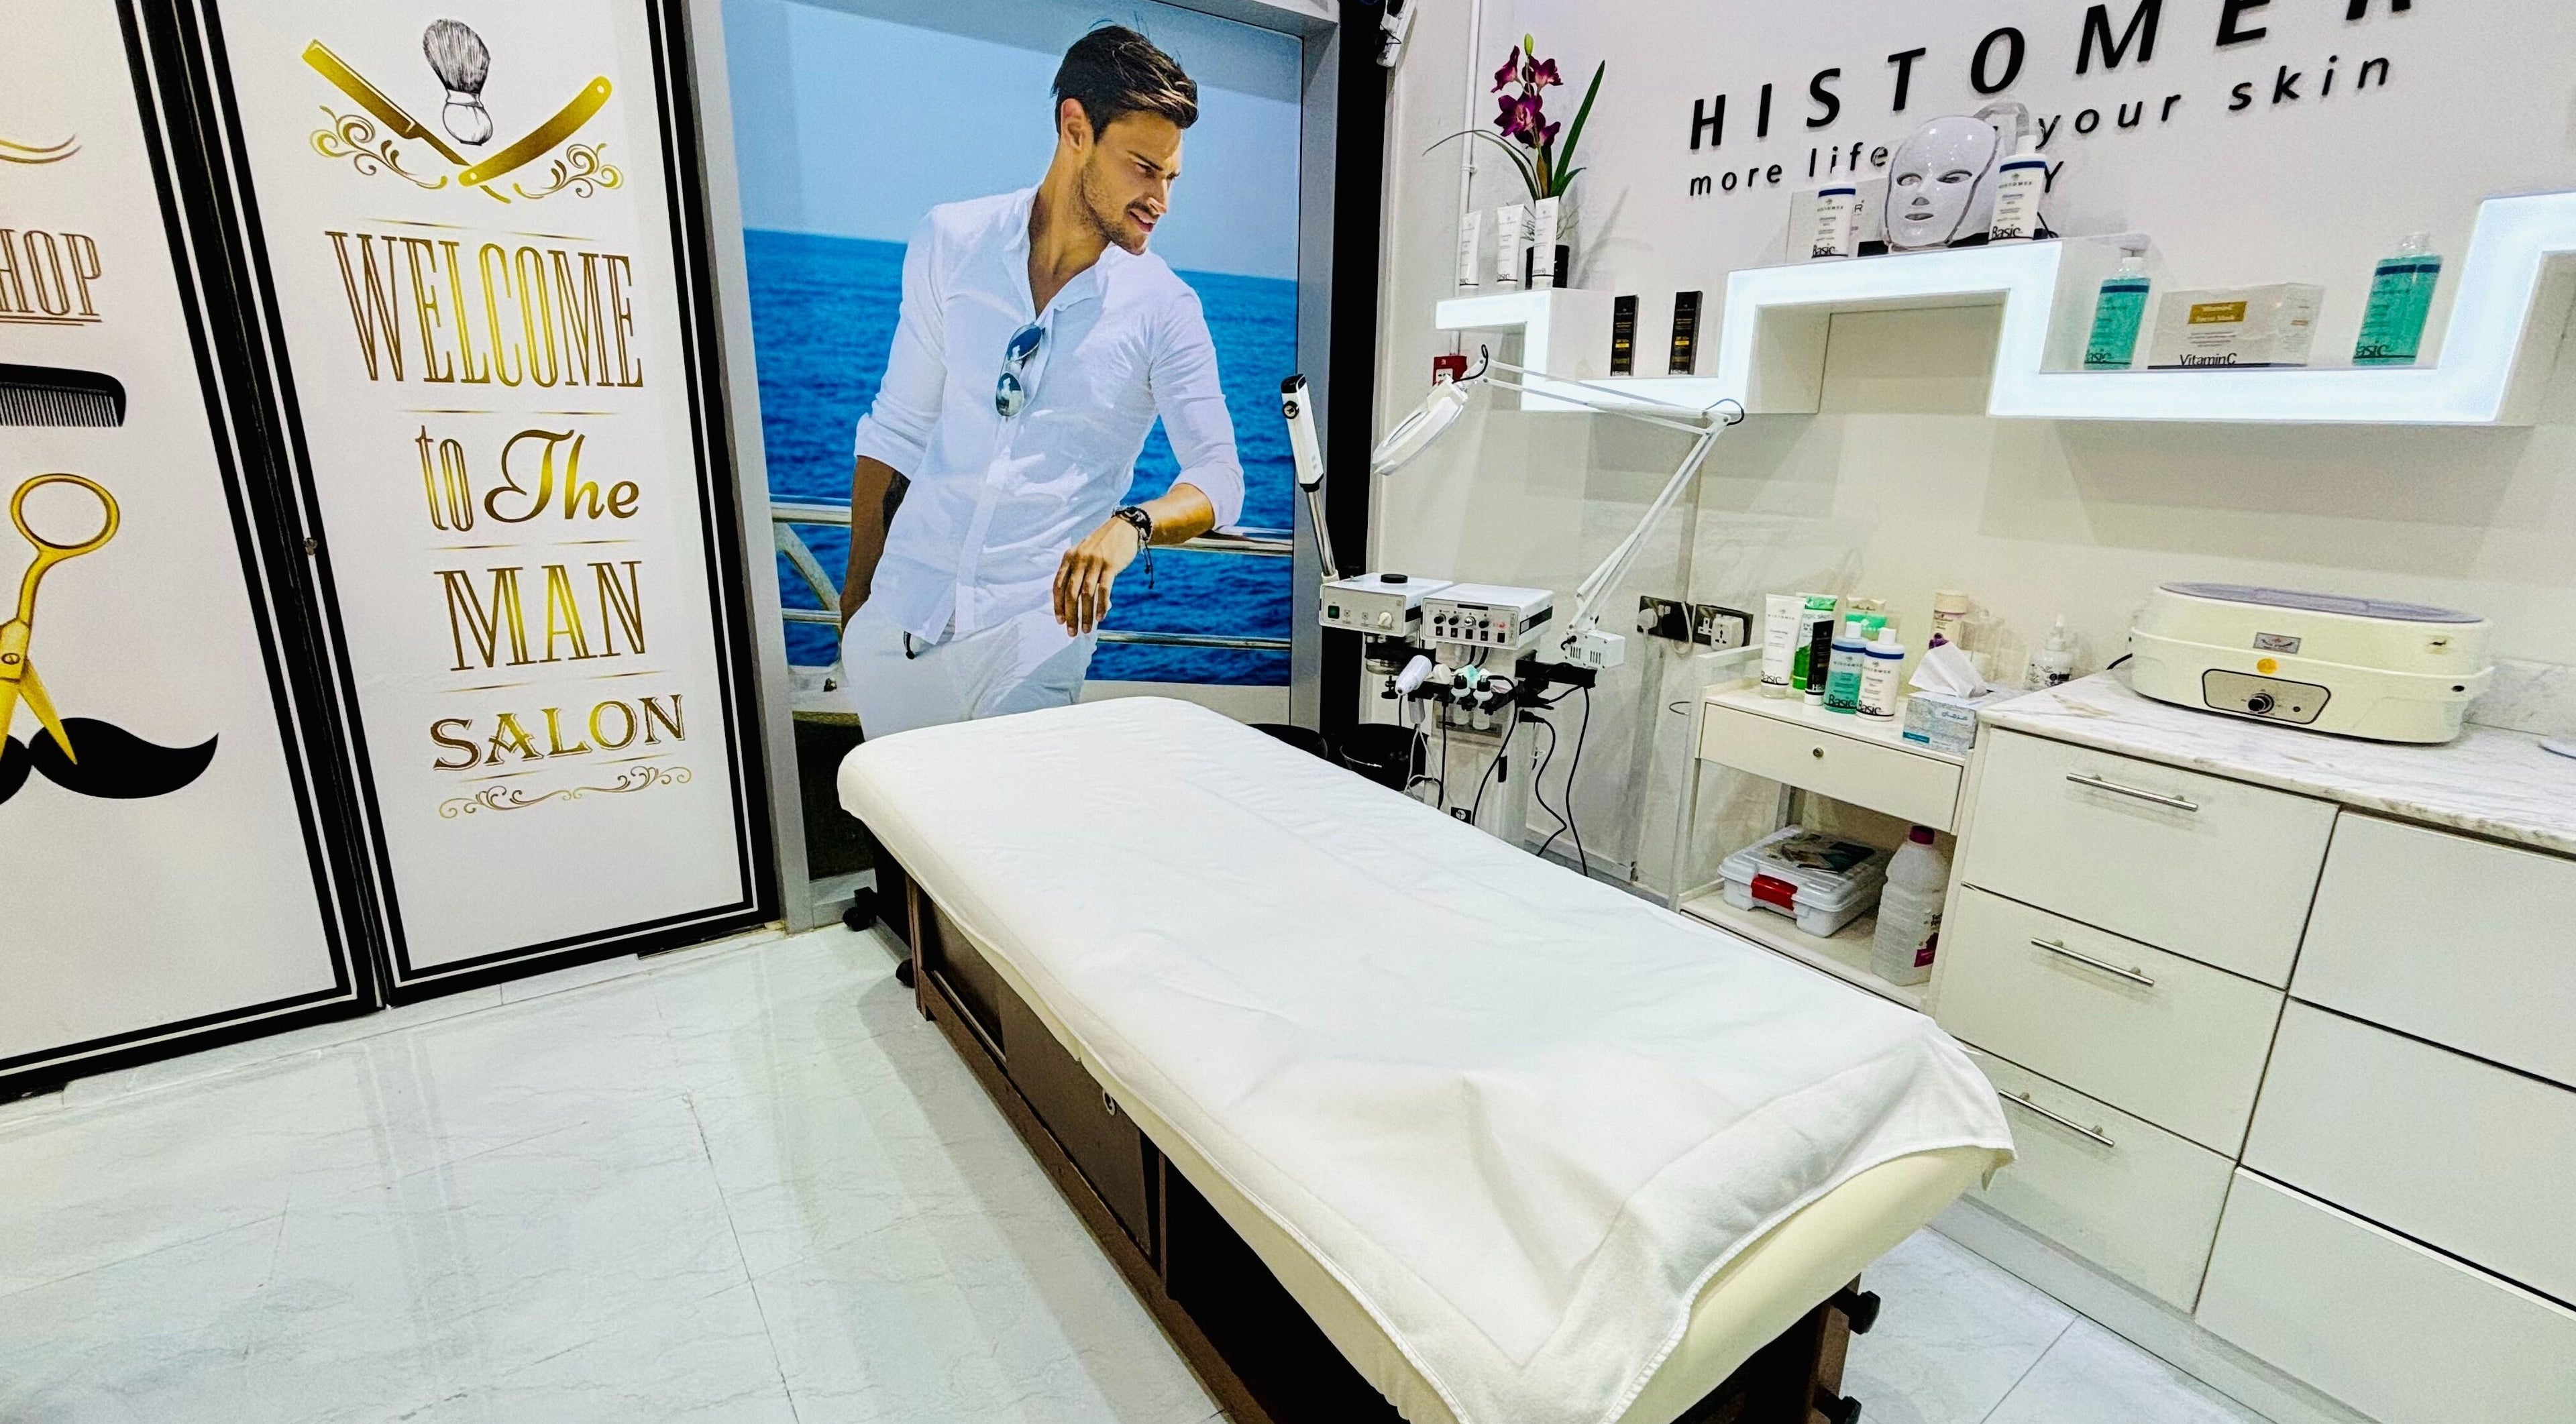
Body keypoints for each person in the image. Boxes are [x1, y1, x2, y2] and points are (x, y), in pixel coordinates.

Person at [837, 25, 1243, 938]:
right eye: (1144, 168)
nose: (1161, 199)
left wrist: (1132, 525)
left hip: (1034, 630)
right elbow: (896, 427)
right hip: (904, 618)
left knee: (1011, 890)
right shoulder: (951, 242)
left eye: (1173, 176)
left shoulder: (1166, 311)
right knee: (915, 887)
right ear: (1075, 130)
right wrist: (859, 602)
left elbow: (1220, 477)